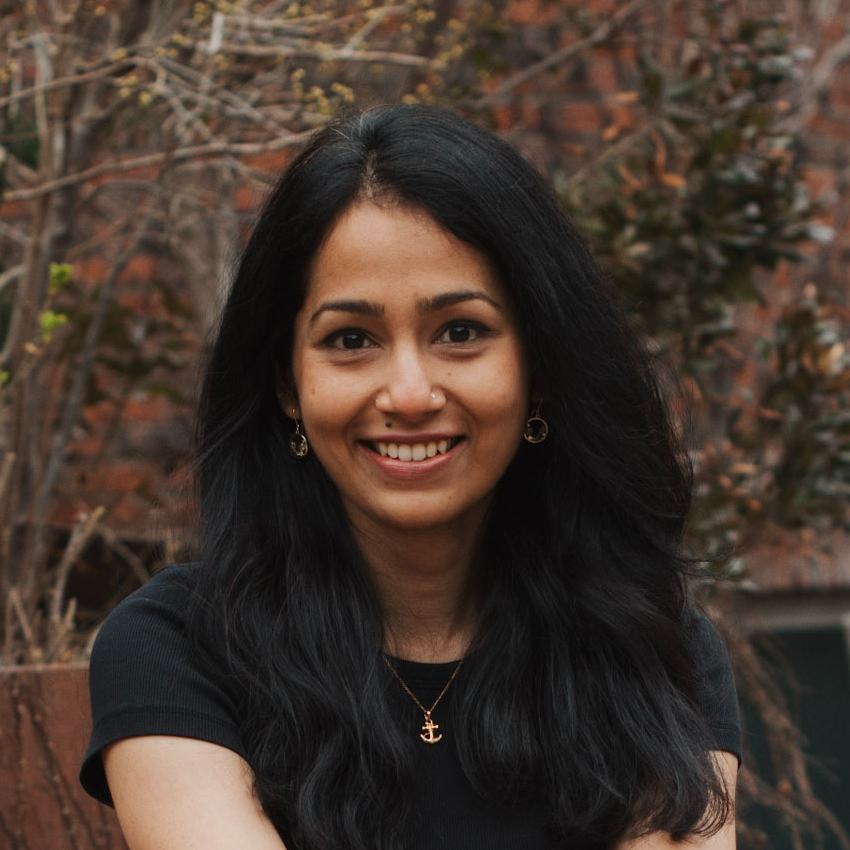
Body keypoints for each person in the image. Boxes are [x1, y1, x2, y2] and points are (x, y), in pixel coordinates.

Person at [80, 105, 742, 850]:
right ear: (289, 386)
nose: (409, 393)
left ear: (542, 369)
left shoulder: (656, 649)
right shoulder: (175, 650)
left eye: (460, 332)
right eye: (351, 339)